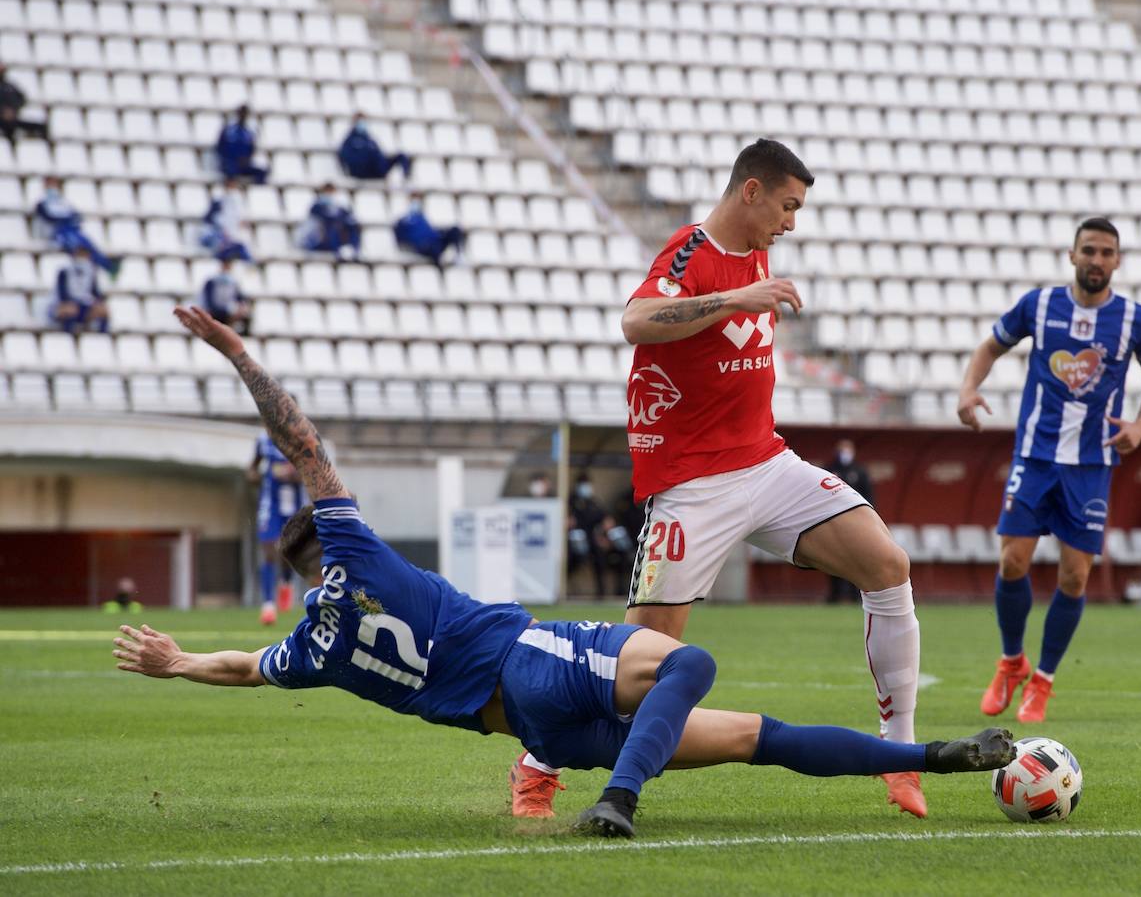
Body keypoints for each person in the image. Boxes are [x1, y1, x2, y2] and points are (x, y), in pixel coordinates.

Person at [118, 305, 1016, 838]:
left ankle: (933, 759)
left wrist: (177, 662)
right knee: (692, 670)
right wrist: (240, 356)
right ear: (328, 540)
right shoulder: (353, 548)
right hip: (537, 659)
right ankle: (621, 799)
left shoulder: (313, 645)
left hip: (532, 720)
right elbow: (301, 439)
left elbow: (246, 667)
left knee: (750, 735)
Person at [508, 139, 928, 820]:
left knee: (887, 563)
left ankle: (902, 757)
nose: (791, 222)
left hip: (766, 465)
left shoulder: (756, 250)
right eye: (787, 206)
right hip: (692, 488)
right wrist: (736, 298)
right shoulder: (688, 253)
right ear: (751, 193)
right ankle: (538, 763)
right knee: (641, 663)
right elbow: (636, 320)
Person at [957, 217, 1141, 724]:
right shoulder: (1039, 304)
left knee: (1074, 576)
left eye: (1106, 253)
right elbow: (990, 346)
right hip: (1035, 455)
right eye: (1089, 250)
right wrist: (967, 390)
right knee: (1012, 561)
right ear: (1071, 256)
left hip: (1092, 464)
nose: (1097, 260)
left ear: (1117, 262)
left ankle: (1044, 681)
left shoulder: (1136, 320)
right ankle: (1011, 662)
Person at [247, 431, 305, 625]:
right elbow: (253, 469)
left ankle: (286, 583)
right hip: (270, 505)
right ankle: (268, 605)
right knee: (269, 549)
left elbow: (310, 472)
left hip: (294, 505)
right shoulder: (263, 440)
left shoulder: (301, 439)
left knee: (288, 551)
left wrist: (292, 474)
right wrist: (255, 476)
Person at [33, 177, 121, 277]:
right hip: (57, 233)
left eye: (54, 185)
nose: (53, 188)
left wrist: (66, 219)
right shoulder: (41, 204)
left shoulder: (63, 202)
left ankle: (108, 265)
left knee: (88, 243)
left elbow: (76, 216)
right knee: (78, 246)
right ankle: (102, 267)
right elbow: (49, 217)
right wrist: (65, 219)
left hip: (71, 230)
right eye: (50, 185)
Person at [824, 439, 876, 603]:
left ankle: (856, 596)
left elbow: (869, 497)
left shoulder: (860, 472)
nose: (844, 453)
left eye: (847, 449)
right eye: (841, 449)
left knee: (857, 559)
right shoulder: (829, 470)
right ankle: (835, 595)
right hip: (833, 523)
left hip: (856, 524)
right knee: (834, 560)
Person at [567, 475, 614, 600]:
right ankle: (565, 590)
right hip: (574, 539)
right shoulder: (571, 501)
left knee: (601, 557)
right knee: (573, 559)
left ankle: (601, 593)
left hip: (592, 538)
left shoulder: (593, 501)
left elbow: (606, 520)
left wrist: (604, 535)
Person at [50, 246, 110, 334]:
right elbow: (62, 293)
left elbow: (95, 292)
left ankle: (102, 337)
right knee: (70, 308)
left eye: (85, 256)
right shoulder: (65, 272)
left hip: (84, 304)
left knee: (102, 310)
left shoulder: (91, 271)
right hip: (68, 304)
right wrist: (70, 302)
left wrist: (99, 301)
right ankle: (68, 334)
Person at [394, 192, 465, 265]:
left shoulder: (421, 217)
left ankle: (459, 257)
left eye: (418, 201)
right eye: (414, 201)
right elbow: (402, 239)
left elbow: (431, 232)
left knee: (455, 231)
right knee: (434, 250)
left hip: (435, 242)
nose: (416, 204)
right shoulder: (403, 222)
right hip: (424, 247)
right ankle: (440, 270)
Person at [338, 113, 411, 181]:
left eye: (363, 121)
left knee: (401, 156)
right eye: (359, 121)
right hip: (363, 171)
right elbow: (345, 155)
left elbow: (378, 153)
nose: (362, 124)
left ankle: (406, 177)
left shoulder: (369, 139)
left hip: (378, 168)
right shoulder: (351, 139)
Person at [297, 184, 361, 260]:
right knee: (333, 227)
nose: (329, 195)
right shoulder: (316, 208)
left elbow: (348, 218)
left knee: (351, 227)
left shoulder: (340, 207)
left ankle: (353, 250)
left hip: (336, 237)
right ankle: (338, 251)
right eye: (327, 192)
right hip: (320, 241)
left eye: (331, 192)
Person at [199, 179, 252, 263]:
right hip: (219, 241)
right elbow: (209, 223)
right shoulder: (217, 204)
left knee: (240, 248)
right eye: (230, 188)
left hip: (229, 240)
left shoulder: (237, 207)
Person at [215, 105, 269, 184]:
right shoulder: (229, 130)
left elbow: (251, 149)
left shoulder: (249, 132)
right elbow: (220, 147)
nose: (243, 116)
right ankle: (230, 190)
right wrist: (229, 159)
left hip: (243, 165)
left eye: (245, 114)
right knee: (230, 170)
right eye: (242, 113)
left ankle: (255, 193)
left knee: (262, 172)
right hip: (229, 164)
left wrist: (246, 159)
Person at [0, 63, 50, 144]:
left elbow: (21, 99)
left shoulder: (10, 87)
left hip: (12, 120)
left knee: (40, 127)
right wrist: (2, 112)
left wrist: (13, 110)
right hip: (2, 121)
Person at [201, 258, 252, 335]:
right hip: (216, 312)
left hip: (228, 312)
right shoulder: (212, 282)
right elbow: (209, 302)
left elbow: (239, 298)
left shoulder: (233, 282)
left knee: (245, 317)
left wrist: (241, 309)